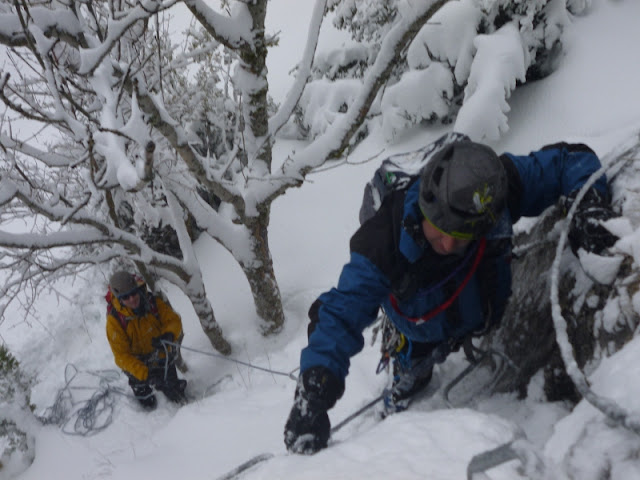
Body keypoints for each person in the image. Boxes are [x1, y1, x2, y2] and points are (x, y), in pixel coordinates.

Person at [284, 136, 619, 454]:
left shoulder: (493, 193)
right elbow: (341, 312)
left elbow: (570, 161)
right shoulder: (383, 240)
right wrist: (313, 393)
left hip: (474, 307)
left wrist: (588, 208)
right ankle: (406, 372)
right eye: (439, 233)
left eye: (459, 238)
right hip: (418, 324)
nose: (446, 246)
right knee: (415, 359)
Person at [106, 271, 187, 409]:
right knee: (146, 400)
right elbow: (121, 356)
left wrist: (168, 334)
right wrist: (146, 375)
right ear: (119, 299)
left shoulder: (152, 302)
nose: (132, 299)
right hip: (136, 362)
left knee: (173, 391)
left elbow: (173, 320)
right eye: (126, 297)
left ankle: (174, 392)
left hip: (160, 353)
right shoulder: (114, 322)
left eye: (133, 293)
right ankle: (146, 400)